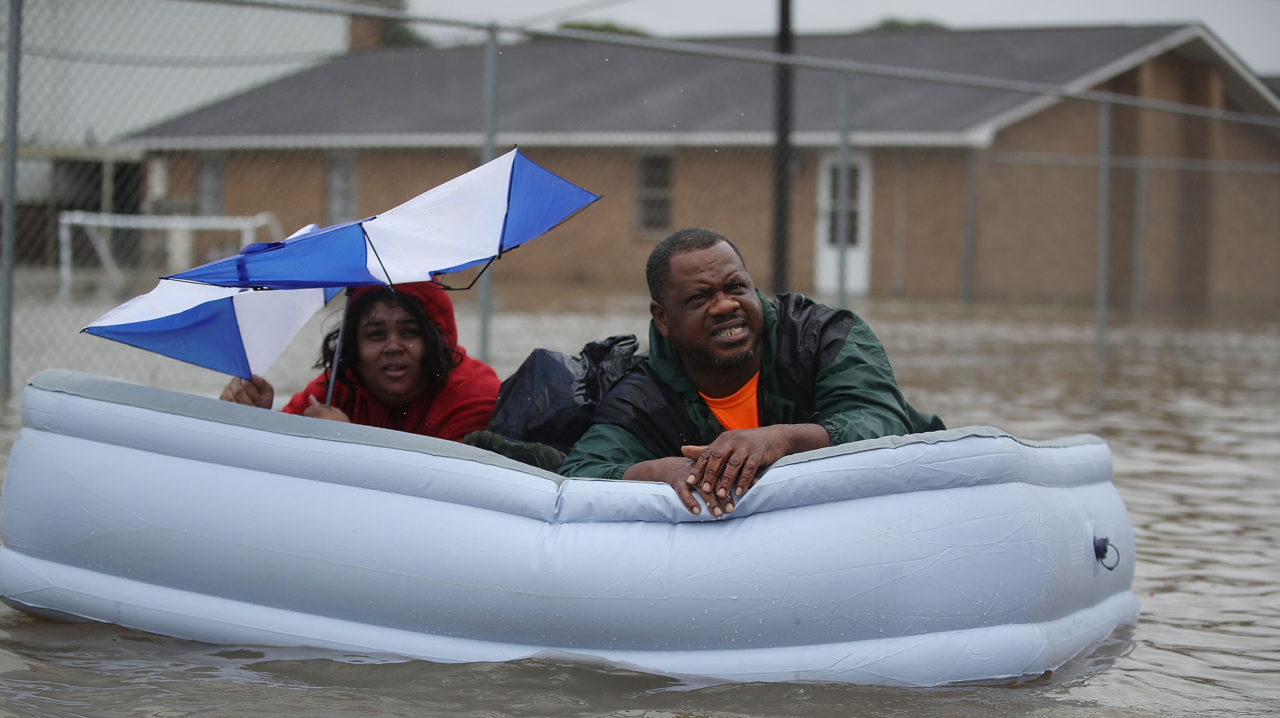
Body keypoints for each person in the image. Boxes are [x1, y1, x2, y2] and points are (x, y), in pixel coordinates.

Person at [558, 226, 945, 516]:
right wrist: (662, 472)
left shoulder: (823, 337)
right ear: (662, 318)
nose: (726, 305)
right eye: (700, 297)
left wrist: (783, 440)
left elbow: (884, 422)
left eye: (736, 287)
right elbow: (580, 472)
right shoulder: (641, 397)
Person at [219, 279, 500, 441]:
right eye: (376, 334)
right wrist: (254, 419)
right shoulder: (341, 387)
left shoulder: (474, 397)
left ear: (436, 340)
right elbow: (278, 457)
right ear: (354, 346)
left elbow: (444, 497)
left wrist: (350, 444)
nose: (393, 347)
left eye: (410, 332)